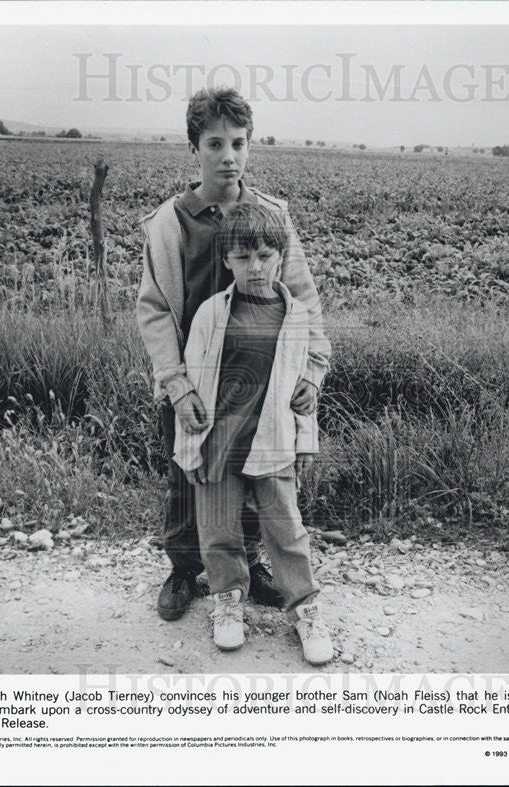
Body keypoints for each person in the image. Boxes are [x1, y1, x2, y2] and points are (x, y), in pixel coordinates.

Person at [136, 87, 331, 621]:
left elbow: (305, 298)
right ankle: (183, 569)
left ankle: (244, 571)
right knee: (187, 472)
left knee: (254, 470)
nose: (228, 155)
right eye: (215, 143)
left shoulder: (270, 217)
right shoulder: (171, 222)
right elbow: (154, 310)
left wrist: (313, 368)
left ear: (250, 147)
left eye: (239, 143)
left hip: (260, 377)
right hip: (193, 380)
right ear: (194, 148)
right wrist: (175, 385)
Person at [174, 202, 333, 665]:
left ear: (280, 257)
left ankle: (305, 608)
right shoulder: (210, 314)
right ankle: (227, 600)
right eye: (242, 257)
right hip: (218, 443)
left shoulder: (296, 315)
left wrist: (306, 440)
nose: (255, 266)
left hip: (275, 441)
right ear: (226, 260)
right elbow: (193, 385)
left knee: (286, 530)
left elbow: (303, 391)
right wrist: (192, 452)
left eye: (264, 255)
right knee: (219, 530)